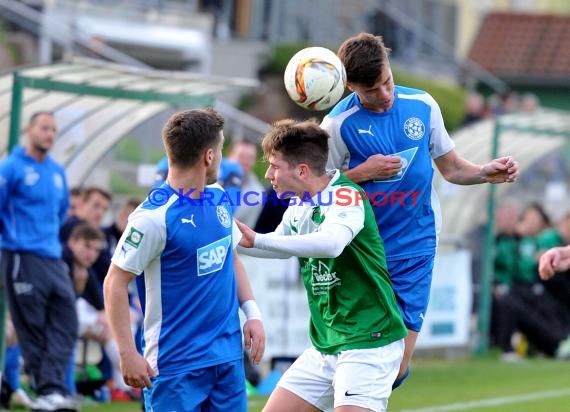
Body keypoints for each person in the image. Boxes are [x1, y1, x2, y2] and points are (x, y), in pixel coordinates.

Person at [321, 32, 519, 385]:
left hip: (416, 245)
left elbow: (453, 168)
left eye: (387, 82)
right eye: (371, 91)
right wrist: (361, 173)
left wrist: (486, 173)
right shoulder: (336, 125)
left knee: (393, 370)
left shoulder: (423, 105)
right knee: (354, 363)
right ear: (351, 86)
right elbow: (318, 193)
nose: (384, 95)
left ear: (390, 67)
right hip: (362, 252)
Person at [237, 119, 407, 412]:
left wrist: (259, 241)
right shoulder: (299, 205)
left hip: (368, 340)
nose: (268, 174)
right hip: (326, 344)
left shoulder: (346, 195)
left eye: (275, 166)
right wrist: (228, 240)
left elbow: (331, 244)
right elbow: (277, 245)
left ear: (302, 170)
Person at [103, 108, 265, 411]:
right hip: (175, 366)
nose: (221, 157)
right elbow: (113, 282)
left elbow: (231, 257)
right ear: (208, 156)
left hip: (226, 359)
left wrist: (252, 313)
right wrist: (127, 353)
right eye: (219, 150)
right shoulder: (152, 218)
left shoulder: (218, 197)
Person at [0, 111, 79, 410]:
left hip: (52, 257)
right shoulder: (11, 167)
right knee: (32, 325)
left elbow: (60, 214)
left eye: (54, 130)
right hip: (21, 256)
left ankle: (54, 387)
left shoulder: (57, 172)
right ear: (30, 130)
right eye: (44, 128)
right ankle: (46, 390)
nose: (49, 134)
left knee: (67, 322)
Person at [228, 139, 265, 227]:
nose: (245, 162)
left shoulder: (258, 195)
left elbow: (246, 230)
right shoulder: (210, 175)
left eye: (250, 158)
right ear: (230, 155)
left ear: (254, 162)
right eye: (241, 156)